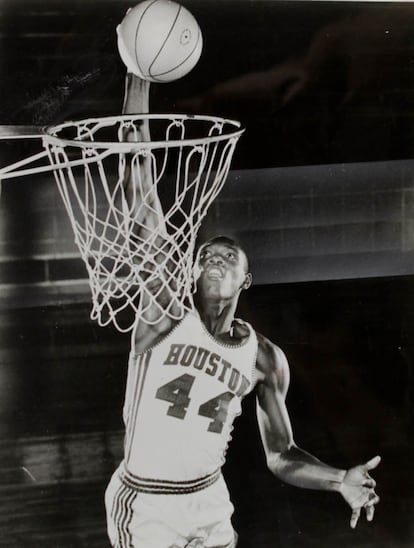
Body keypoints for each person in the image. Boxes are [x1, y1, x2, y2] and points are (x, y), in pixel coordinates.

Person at [104, 74, 380, 548]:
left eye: (230, 256)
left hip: (209, 500)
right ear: (189, 273)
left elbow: (281, 454)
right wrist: (138, 71)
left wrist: (339, 479)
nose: (217, 257)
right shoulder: (163, 316)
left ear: (245, 280)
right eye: (207, 253)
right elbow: (139, 187)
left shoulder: (264, 359)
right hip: (147, 503)